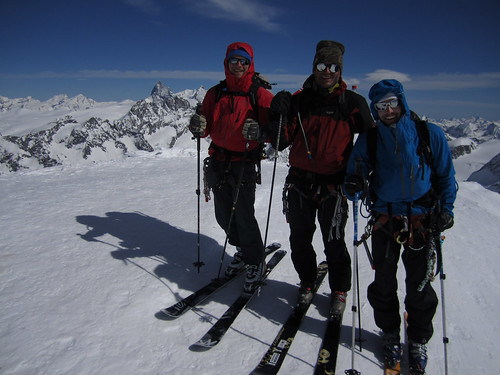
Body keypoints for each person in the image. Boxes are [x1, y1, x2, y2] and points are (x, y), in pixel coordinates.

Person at [344, 79, 457, 374]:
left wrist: (446, 210)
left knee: (419, 285)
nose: (388, 110)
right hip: (385, 219)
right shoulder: (369, 140)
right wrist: (354, 185)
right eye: (380, 106)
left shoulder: (428, 134)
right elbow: (352, 181)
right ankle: (390, 333)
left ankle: (417, 339)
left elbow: (445, 177)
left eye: (392, 102)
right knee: (384, 282)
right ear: (375, 110)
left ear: (402, 101)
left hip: (422, 219)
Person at [267, 40, 374, 315]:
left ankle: (339, 288)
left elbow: (372, 141)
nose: (327, 71)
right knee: (299, 238)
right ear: (313, 67)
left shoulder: (351, 103)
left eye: (333, 66)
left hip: (334, 185)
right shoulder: (299, 101)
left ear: (340, 70)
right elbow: (280, 141)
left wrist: (360, 173)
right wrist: (276, 114)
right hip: (300, 182)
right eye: (321, 65)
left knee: (334, 239)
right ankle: (306, 281)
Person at [188, 42, 273, 294]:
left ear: (250, 64)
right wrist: (198, 127)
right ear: (226, 62)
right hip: (218, 161)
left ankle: (255, 260)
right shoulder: (215, 93)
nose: (239, 65)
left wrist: (261, 133)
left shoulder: (260, 95)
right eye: (234, 60)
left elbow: (277, 133)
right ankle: (242, 251)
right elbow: (205, 126)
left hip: (244, 163)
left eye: (243, 61)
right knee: (223, 215)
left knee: (244, 215)